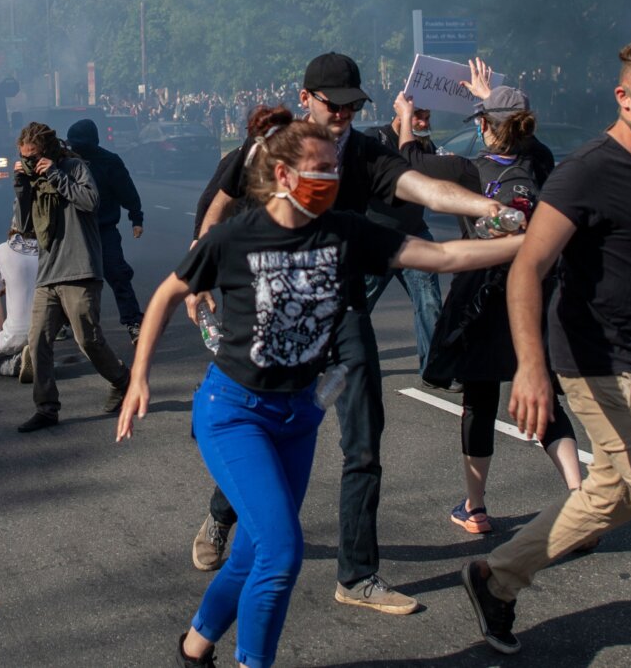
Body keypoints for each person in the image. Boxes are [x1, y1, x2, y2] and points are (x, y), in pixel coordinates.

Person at [118, 108, 526, 668]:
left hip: (298, 416)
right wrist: (139, 377)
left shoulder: (345, 232)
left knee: (255, 552)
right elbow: (167, 293)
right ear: (283, 175)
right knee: (282, 554)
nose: (331, 178)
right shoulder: (238, 236)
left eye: (335, 169)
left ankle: (195, 647)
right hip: (234, 413)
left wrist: (528, 244)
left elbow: (442, 255)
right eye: (319, 169)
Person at [190, 53, 514, 611]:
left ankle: (357, 576)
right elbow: (217, 204)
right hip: (277, 315)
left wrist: (492, 209)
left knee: (364, 440)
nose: (342, 113)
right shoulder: (270, 148)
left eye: (351, 104)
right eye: (332, 102)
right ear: (307, 97)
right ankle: (224, 513)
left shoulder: (364, 153)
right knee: (268, 425)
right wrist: (201, 274)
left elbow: (427, 190)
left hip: (342, 314)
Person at [460, 37, 631, 664]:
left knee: (614, 494)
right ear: (624, 98)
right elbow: (528, 267)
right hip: (604, 366)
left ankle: (497, 575)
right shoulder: (590, 169)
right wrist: (530, 369)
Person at [421, 84, 582, 536]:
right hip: (537, 293)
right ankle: (577, 494)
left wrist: (409, 115)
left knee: (480, 400)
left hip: (481, 297)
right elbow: (524, 138)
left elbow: (409, 161)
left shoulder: (468, 171)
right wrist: (498, 100)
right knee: (544, 394)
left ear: (484, 126)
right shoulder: (540, 163)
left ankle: (475, 508)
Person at [12, 122, 130, 433]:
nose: (29, 162)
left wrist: (55, 174)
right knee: (37, 342)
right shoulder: (33, 181)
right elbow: (23, 226)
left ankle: (122, 380)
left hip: (80, 269)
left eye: (32, 157)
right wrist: (22, 184)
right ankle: (47, 408)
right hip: (48, 273)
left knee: (87, 340)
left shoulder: (75, 167)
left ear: (48, 152)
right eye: (24, 157)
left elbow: (90, 202)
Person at [364, 92, 462, 378]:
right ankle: (337, 359)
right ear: (401, 113)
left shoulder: (425, 145)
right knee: (356, 306)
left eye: (427, 117)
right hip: (377, 239)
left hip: (414, 235)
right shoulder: (376, 139)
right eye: (418, 116)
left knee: (429, 303)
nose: (423, 122)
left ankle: (435, 368)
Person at [64, 119, 145, 341]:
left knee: (118, 275)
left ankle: (133, 322)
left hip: (104, 229)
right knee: (69, 279)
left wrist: (136, 218)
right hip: (75, 231)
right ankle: (61, 321)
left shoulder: (109, 161)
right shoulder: (65, 161)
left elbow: (126, 191)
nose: (77, 148)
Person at [0, 229, 37, 377]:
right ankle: (38, 360)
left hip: (15, 333)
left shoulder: (3, 250)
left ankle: (18, 362)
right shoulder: (49, 249)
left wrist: (2, 330)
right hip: (43, 332)